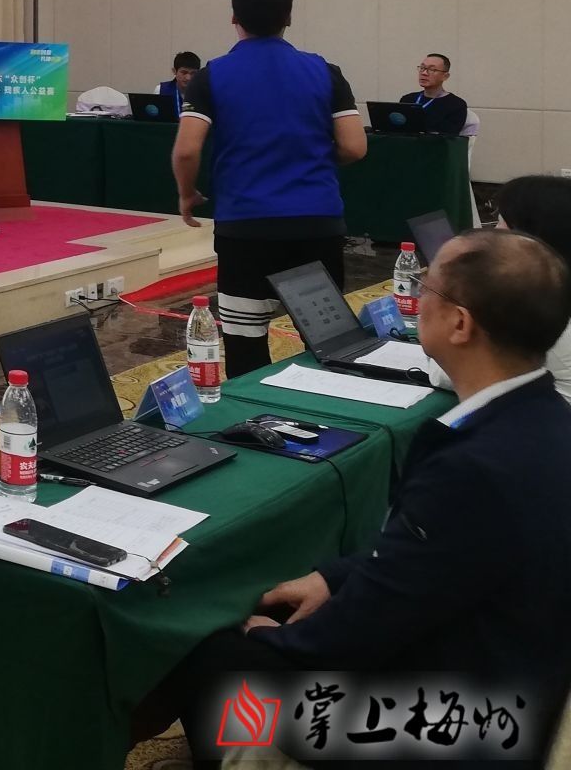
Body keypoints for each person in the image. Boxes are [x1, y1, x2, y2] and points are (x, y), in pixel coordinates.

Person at [138, 229, 571, 769]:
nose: (418, 296)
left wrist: (272, 645)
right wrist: (334, 578)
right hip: (518, 675)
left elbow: (362, 633)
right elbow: (436, 561)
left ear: (460, 325)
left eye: (429, 288)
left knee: (213, 653)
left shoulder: (474, 468)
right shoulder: (546, 419)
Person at [172, 0, 366, 376]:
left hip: (246, 227)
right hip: (317, 222)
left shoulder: (212, 75)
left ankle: (253, 414)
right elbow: (354, 147)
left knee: (245, 345)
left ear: (234, 18)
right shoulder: (325, 71)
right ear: (288, 18)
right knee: (328, 343)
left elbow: (187, 149)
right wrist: (309, 158)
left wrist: (187, 193)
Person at [429, 176, 571, 405]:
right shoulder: (554, 289)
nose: (492, 233)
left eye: (500, 223)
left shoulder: (539, 307)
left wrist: (435, 320)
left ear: (528, 237)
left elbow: (449, 373)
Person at [400, 51, 469, 136]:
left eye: (432, 70)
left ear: (445, 76)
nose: (424, 73)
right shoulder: (407, 99)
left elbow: (449, 138)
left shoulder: (456, 105)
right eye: (422, 68)